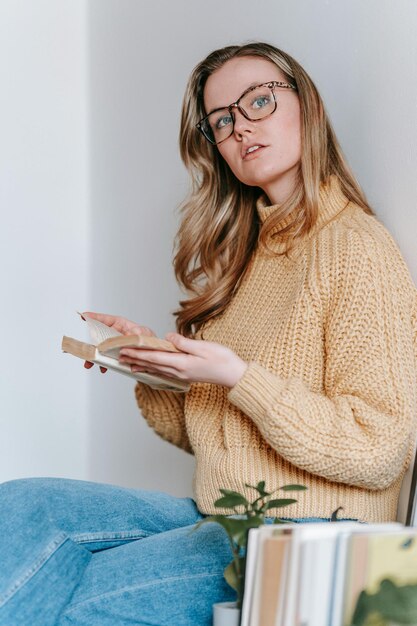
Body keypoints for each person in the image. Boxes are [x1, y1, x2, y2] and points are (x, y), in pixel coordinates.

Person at [1, 41, 417, 626]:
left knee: (73, 595)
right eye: (223, 120)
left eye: (259, 102)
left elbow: (381, 448)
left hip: (309, 530)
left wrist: (239, 376)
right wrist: (153, 369)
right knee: (21, 510)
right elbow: (214, 437)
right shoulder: (245, 259)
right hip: (227, 511)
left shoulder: (354, 246)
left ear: (306, 105)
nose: (241, 128)